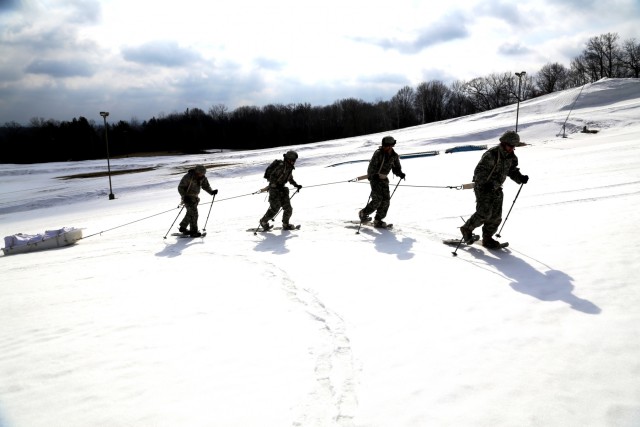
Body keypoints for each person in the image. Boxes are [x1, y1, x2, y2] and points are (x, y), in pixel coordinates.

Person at [460, 130, 529, 248]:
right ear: (503, 143)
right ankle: (467, 229)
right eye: (510, 146)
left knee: (496, 216)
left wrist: (520, 178)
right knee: (484, 213)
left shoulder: (511, 157)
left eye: (514, 147)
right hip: (483, 187)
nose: (512, 149)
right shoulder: (491, 155)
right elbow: (479, 172)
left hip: (496, 188)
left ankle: (487, 238)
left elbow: (512, 170)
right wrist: (485, 184)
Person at [358, 136, 406, 228]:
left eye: (387, 146)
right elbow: (371, 168)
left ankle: (378, 219)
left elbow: (396, 168)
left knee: (386, 201)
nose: (385, 147)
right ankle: (363, 213)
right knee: (377, 199)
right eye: (384, 146)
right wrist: (373, 176)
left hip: (384, 180)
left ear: (391, 146)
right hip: (375, 179)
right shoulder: (378, 153)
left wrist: (400, 174)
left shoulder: (394, 156)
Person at [259, 150, 303, 230]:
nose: (294, 162)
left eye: (294, 160)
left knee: (288, 208)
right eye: (293, 160)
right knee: (275, 208)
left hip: (282, 189)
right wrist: (273, 184)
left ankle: (285, 224)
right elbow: (272, 176)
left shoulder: (289, 168)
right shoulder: (281, 165)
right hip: (274, 189)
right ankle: (263, 221)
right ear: (288, 159)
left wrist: (296, 185)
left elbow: (290, 178)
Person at [177, 164, 217, 237]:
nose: (201, 175)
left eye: (203, 173)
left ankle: (183, 227)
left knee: (190, 212)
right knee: (194, 214)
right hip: (187, 198)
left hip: (195, 198)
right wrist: (184, 196)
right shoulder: (188, 177)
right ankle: (193, 231)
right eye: (200, 173)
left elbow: (206, 186)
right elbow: (180, 187)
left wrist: (211, 192)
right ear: (196, 171)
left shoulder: (203, 178)